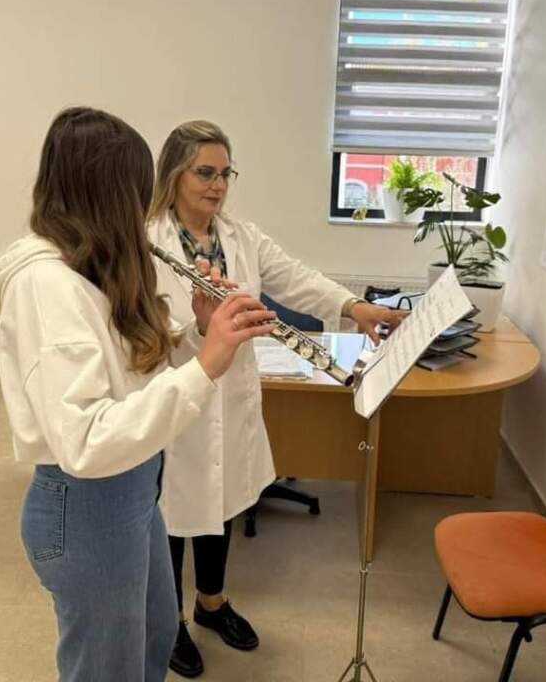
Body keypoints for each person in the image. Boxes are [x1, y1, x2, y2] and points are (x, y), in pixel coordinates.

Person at [0, 108, 275, 682]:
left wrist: (198, 332)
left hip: (136, 489)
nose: (143, 211)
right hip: (87, 505)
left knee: (154, 638)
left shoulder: (86, 266)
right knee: (108, 669)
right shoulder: (46, 285)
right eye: (137, 194)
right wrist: (207, 366)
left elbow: (128, 372)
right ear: (107, 194)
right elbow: (88, 441)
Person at [147, 120, 406, 678]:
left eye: (225, 173)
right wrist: (200, 329)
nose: (218, 185)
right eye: (205, 173)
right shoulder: (148, 242)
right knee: (174, 511)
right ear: (174, 175)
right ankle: (168, 621)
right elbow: (146, 328)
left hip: (232, 392)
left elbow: (296, 278)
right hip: (177, 391)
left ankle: (211, 603)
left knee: (220, 501)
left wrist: (355, 307)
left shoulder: (241, 238)